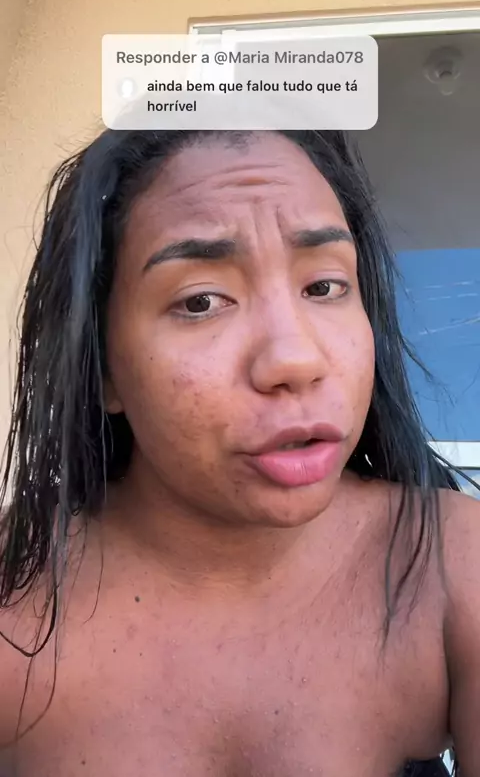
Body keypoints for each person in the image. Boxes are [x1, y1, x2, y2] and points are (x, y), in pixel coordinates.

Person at [0, 128, 478, 777]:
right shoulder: (15, 598)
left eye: (324, 287)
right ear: (103, 366)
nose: (295, 359)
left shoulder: (453, 566)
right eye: (201, 301)